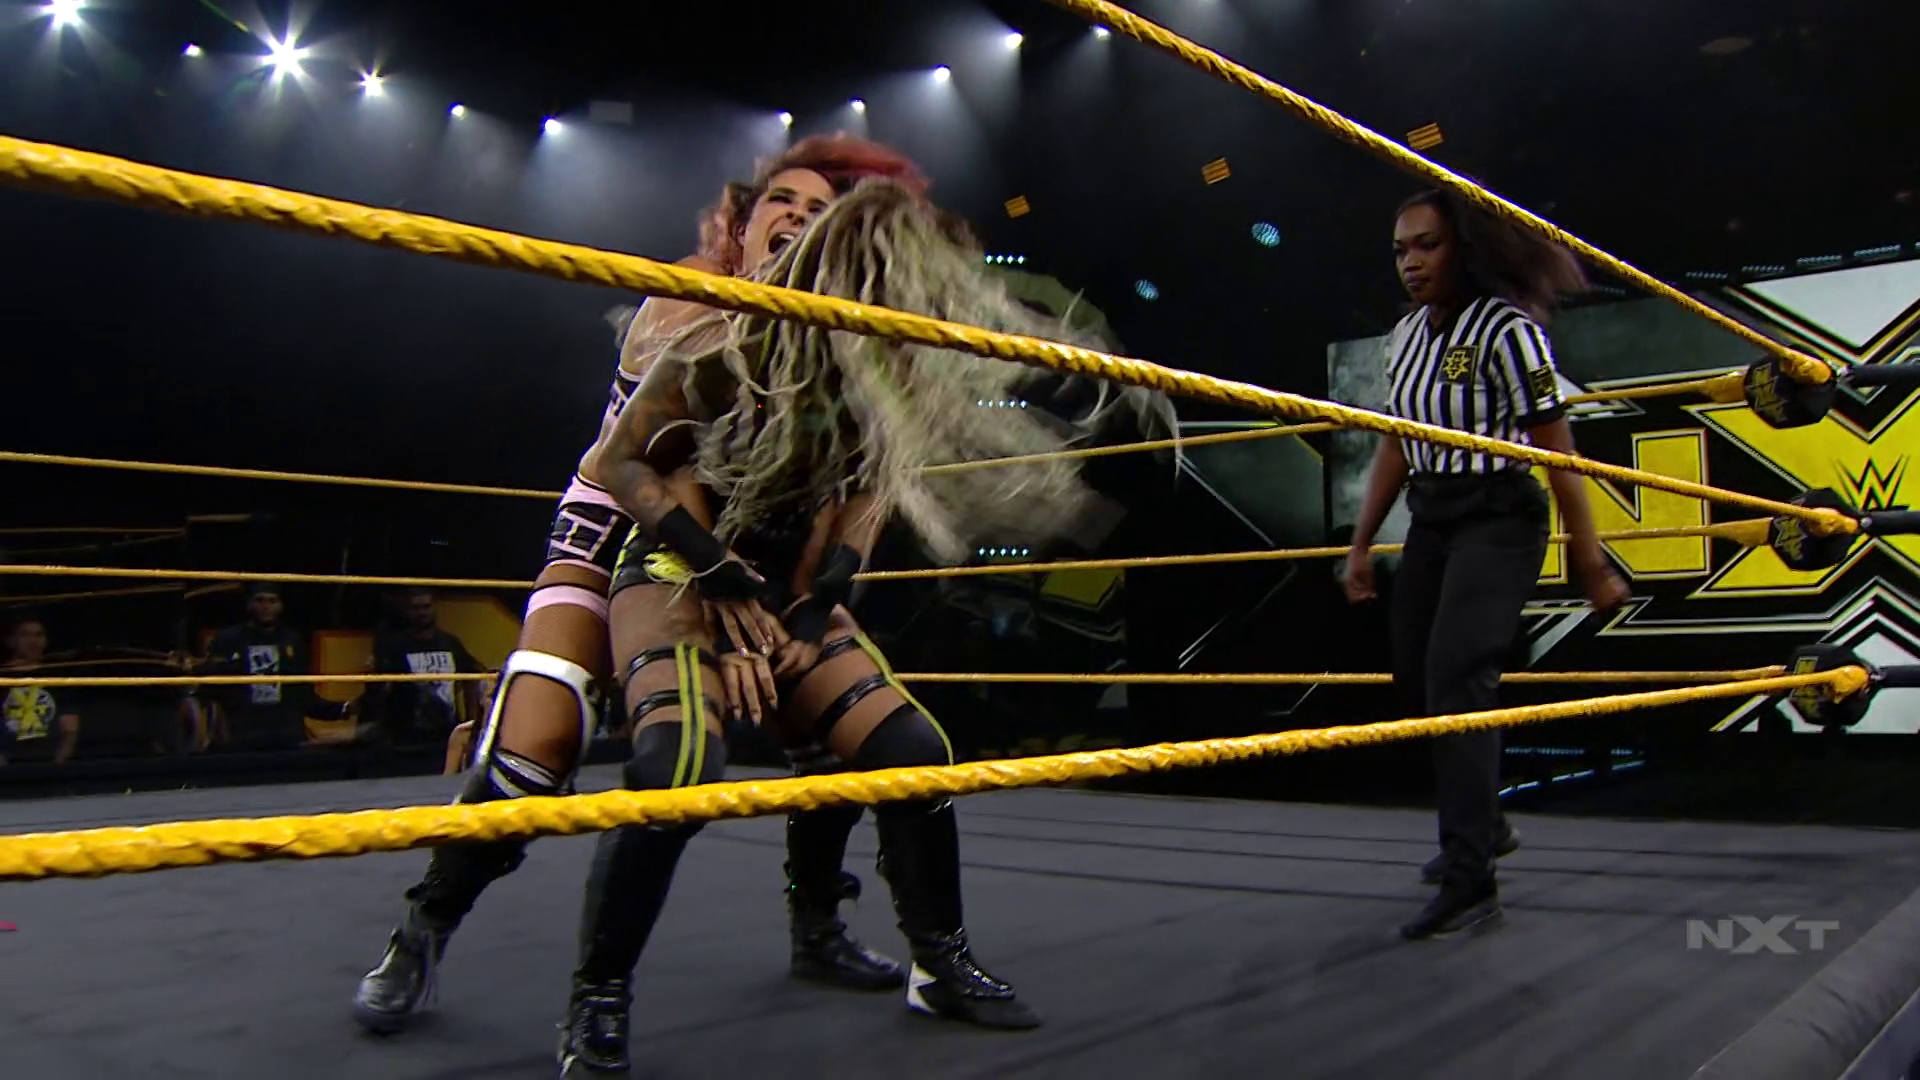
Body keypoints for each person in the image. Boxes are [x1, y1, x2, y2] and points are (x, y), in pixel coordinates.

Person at [556, 176, 1173, 1075]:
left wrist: (811, 607)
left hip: (779, 585)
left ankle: (934, 961)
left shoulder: (871, 372)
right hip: (676, 567)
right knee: (676, 764)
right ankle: (598, 993)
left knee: (911, 752)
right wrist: (718, 577)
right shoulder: (719, 342)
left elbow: (865, 501)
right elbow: (619, 463)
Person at [353, 135, 936, 1035]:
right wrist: (719, 605)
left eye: (819, 213)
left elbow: (848, 486)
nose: (797, 220)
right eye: (781, 203)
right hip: (622, 530)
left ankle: (818, 922)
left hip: (734, 548)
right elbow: (661, 478)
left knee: (822, 708)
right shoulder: (686, 300)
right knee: (537, 746)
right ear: (739, 226)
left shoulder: (831, 338)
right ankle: (420, 931)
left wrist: (793, 604)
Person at [1343, 189, 1630, 940]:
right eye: (1400, 250)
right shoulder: (1404, 337)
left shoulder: (1509, 332)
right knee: (1417, 678)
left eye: (1426, 245)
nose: (1410, 263)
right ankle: (1486, 823)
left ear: (1462, 249)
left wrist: (1588, 558)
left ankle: (1470, 875)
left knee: (1458, 679)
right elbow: (1396, 441)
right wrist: (1361, 543)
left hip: (1499, 517)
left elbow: (1558, 452)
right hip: (1433, 520)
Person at [197, 583, 348, 749]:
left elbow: (303, 695)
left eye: (272, 601)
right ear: (249, 604)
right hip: (242, 735)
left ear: (281, 605)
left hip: (287, 735)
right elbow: (210, 690)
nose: (266, 606)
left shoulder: (292, 640)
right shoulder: (228, 639)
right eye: (260, 600)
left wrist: (343, 709)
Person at [360, 589, 485, 748]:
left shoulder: (449, 642)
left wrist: (470, 720)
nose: (422, 613)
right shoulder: (395, 645)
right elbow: (380, 688)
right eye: (416, 608)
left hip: (445, 735)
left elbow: (471, 678)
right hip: (405, 738)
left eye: (426, 607)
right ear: (406, 611)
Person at [0, 616, 82, 767]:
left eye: (38, 635)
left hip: (49, 763)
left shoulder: (57, 678)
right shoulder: (3, 677)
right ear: (11, 641)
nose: (33, 641)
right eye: (25, 635)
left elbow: (70, 730)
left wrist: (57, 766)